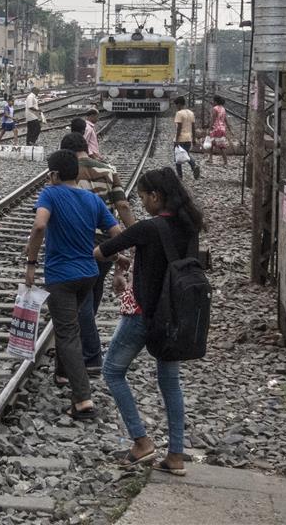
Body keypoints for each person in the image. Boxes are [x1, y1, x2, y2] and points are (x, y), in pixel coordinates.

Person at [94, 167, 204, 474]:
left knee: (112, 371)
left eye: (143, 197)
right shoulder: (190, 225)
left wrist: (116, 261)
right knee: (170, 383)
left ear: (155, 196)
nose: (142, 203)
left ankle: (141, 441)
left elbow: (102, 251)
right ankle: (176, 455)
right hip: (176, 317)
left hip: (144, 315)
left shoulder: (148, 228)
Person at [24, 150, 122, 421]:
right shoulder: (92, 199)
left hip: (62, 276)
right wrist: (116, 258)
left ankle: (82, 400)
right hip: (89, 274)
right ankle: (62, 373)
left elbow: (39, 226)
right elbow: (116, 233)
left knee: (67, 333)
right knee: (68, 325)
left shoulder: (50, 194)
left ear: (54, 174)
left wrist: (31, 263)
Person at [60, 133, 135, 375]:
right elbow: (122, 205)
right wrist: (134, 237)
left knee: (81, 298)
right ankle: (85, 342)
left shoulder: (68, 173)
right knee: (94, 288)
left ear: (67, 152)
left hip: (80, 241)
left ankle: (90, 353)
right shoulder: (108, 169)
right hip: (106, 242)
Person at [173, 97, 201, 180]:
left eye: (176, 105)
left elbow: (179, 128)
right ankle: (194, 166)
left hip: (180, 138)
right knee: (187, 155)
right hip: (188, 138)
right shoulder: (191, 113)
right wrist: (194, 138)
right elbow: (193, 127)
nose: (176, 107)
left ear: (179, 104)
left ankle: (180, 176)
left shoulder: (179, 113)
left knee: (178, 157)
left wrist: (176, 140)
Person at [208, 95, 232, 166]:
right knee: (213, 143)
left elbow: (213, 119)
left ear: (215, 101)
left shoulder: (215, 108)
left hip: (216, 128)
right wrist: (229, 128)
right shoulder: (223, 109)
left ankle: (225, 162)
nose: (213, 102)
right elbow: (225, 120)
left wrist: (209, 128)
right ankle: (210, 158)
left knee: (219, 145)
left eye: (213, 101)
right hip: (222, 128)